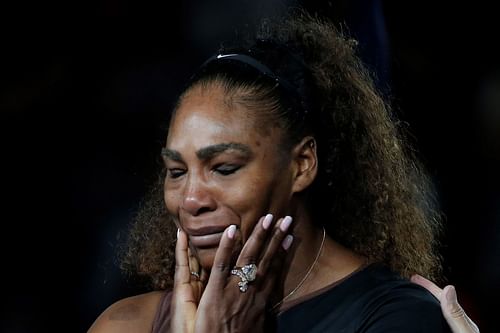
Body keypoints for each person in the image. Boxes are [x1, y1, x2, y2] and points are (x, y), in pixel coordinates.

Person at [88, 12, 475, 333]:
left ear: (302, 164)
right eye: (176, 171)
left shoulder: (396, 319)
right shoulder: (125, 324)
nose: (190, 199)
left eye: (223, 168)